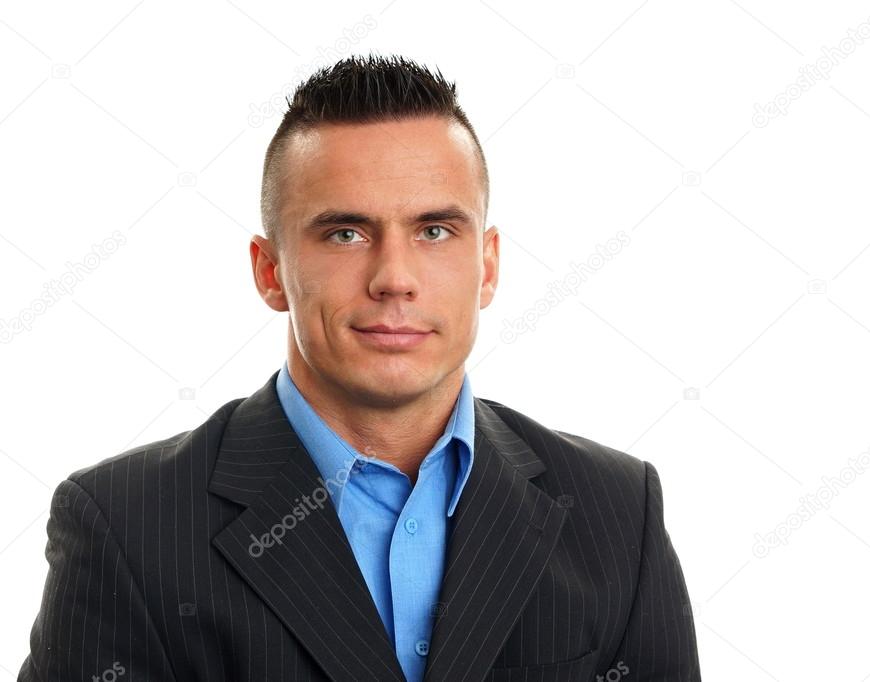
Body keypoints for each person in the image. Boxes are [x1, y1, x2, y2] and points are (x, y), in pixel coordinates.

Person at [19, 53, 701, 682]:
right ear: (270, 271)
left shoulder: (615, 510)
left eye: (434, 231)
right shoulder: (126, 525)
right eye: (345, 233)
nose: (394, 278)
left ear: (486, 266)